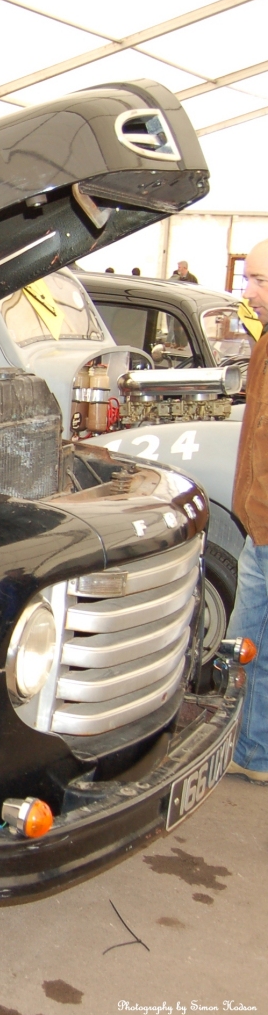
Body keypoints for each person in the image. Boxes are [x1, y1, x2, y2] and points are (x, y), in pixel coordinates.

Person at [228, 238, 268, 783]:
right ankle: (253, 752)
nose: (248, 292)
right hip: (259, 524)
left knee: (243, 640)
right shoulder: (263, 343)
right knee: (251, 642)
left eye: (258, 280)